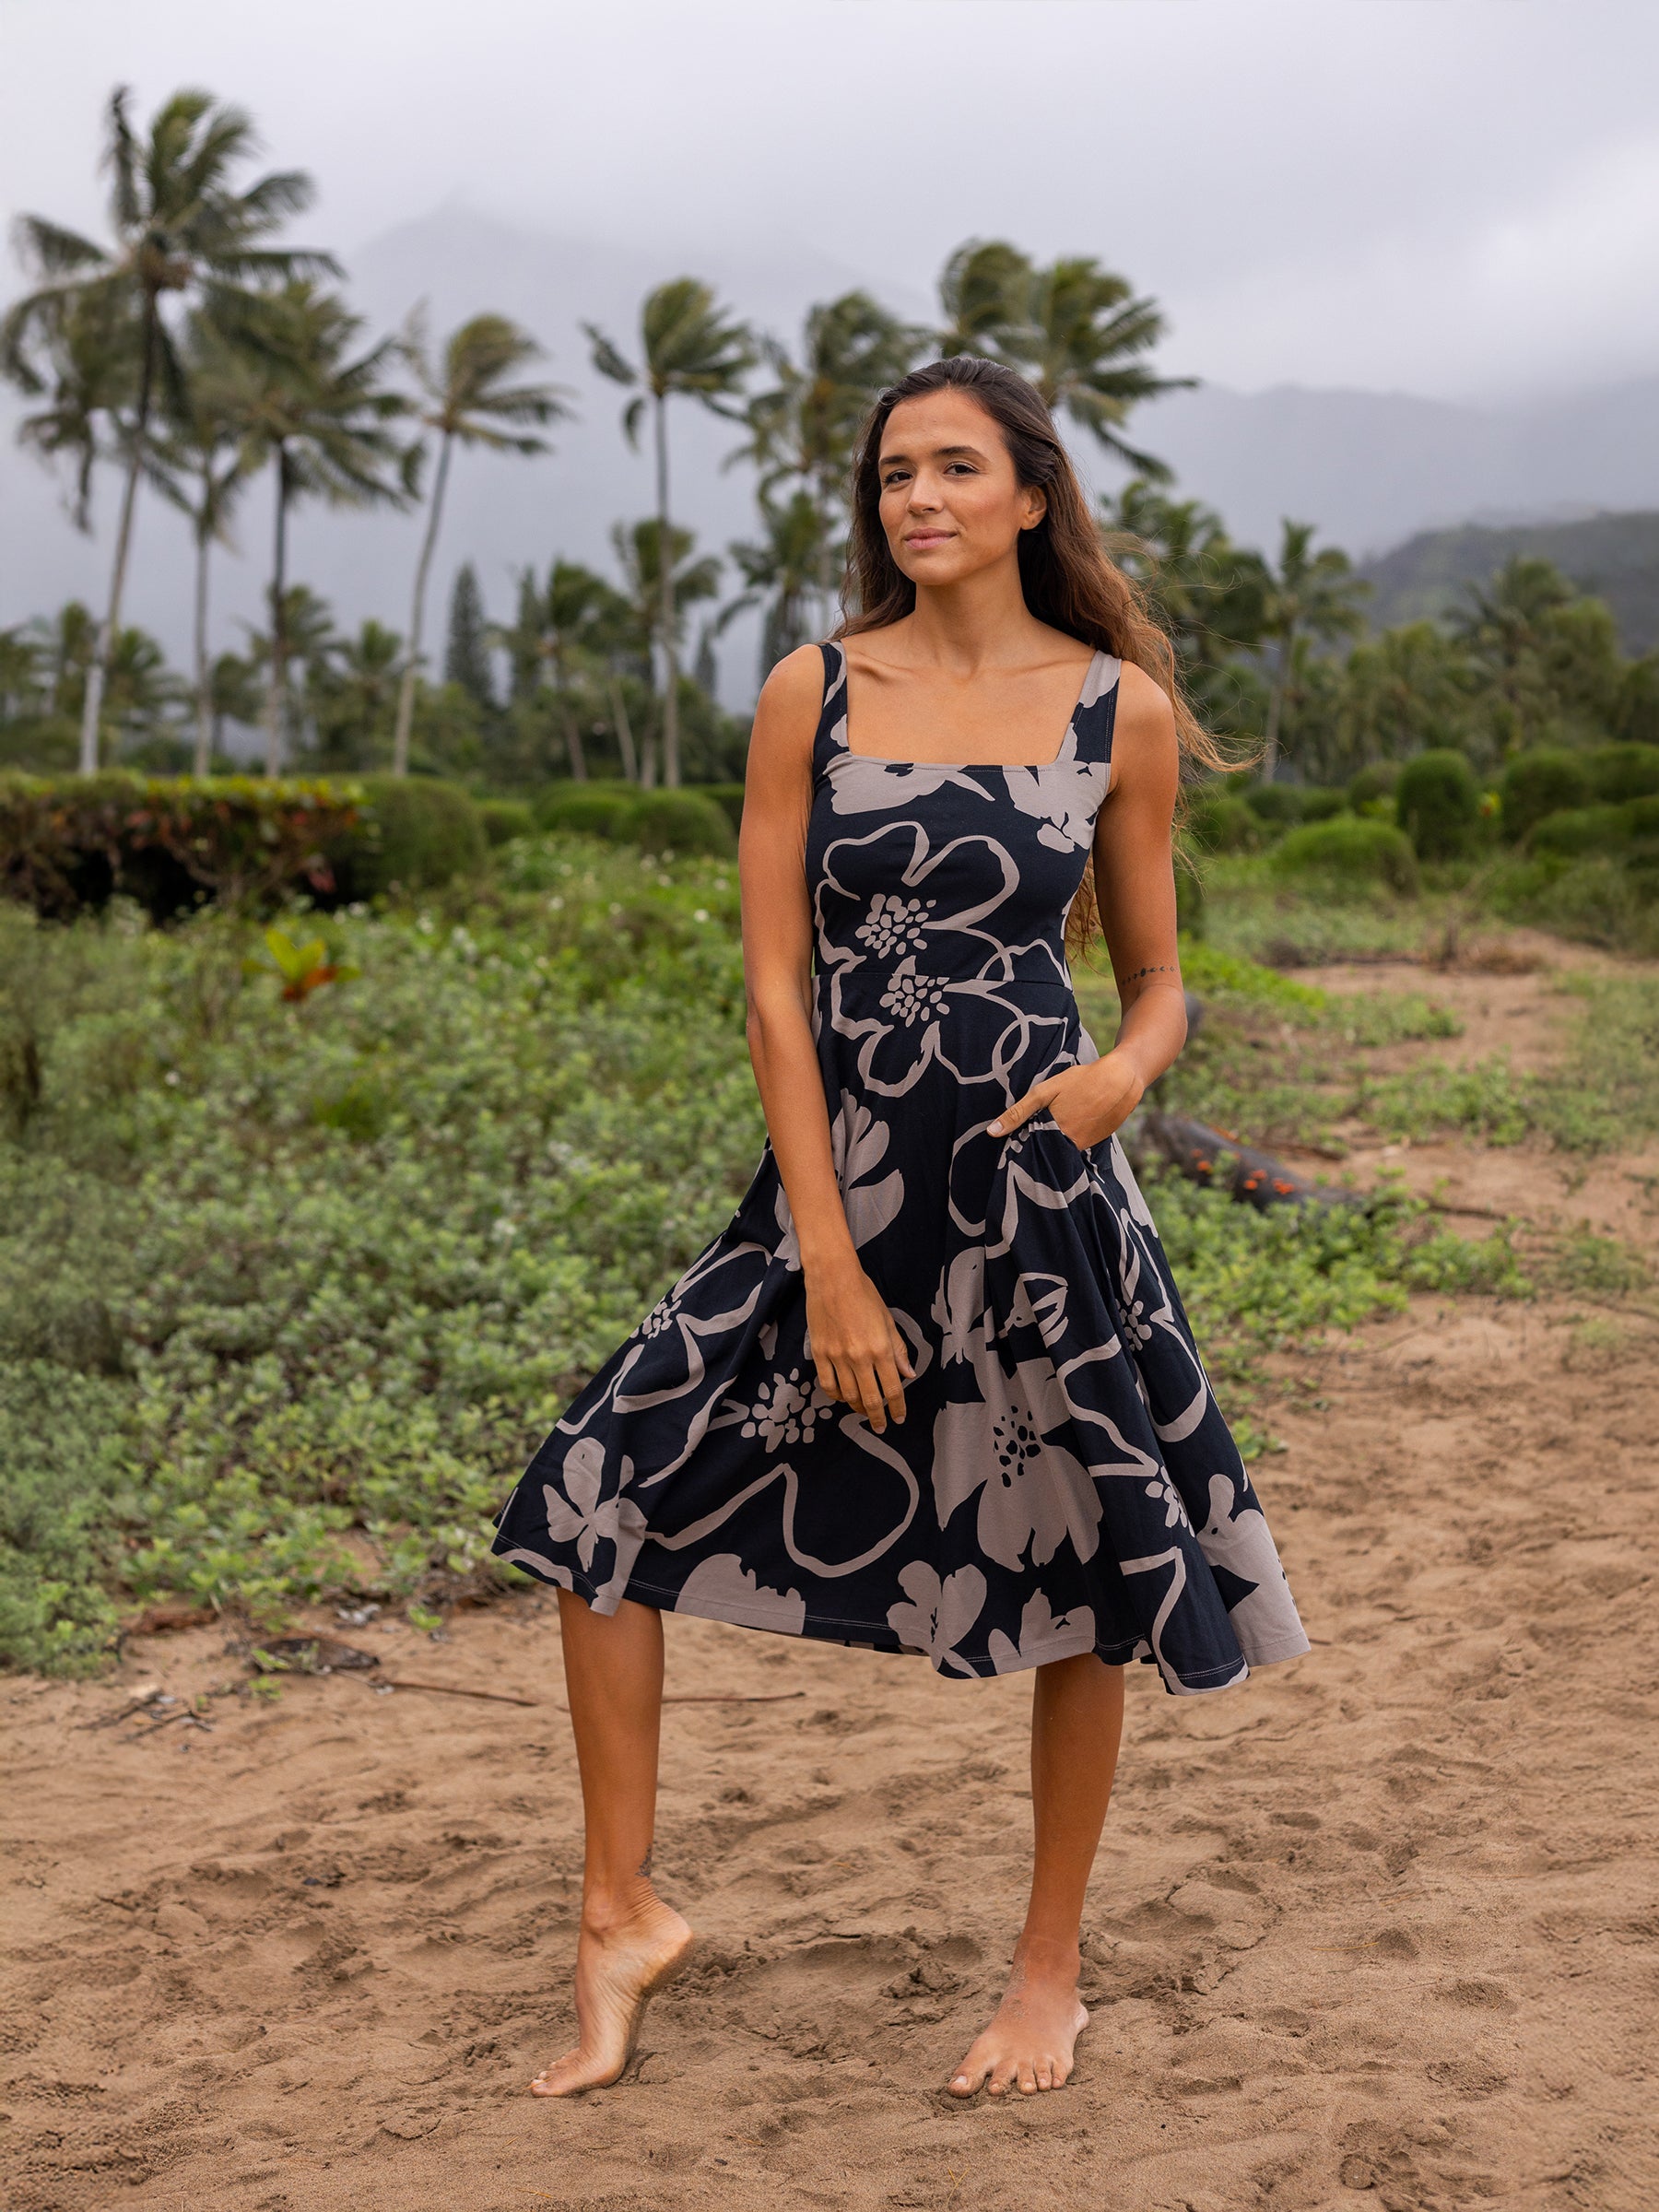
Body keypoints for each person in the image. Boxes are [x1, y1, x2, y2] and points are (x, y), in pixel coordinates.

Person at [491, 355, 1309, 2101]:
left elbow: (1161, 983)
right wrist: (831, 1253)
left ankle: (1046, 1973)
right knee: (593, 1492)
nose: (915, 498)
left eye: (953, 467)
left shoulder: (1117, 712)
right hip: (840, 1184)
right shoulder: (817, 689)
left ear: (1032, 493)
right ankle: (619, 1906)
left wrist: (1122, 1078)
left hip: (1036, 1185)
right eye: (890, 476)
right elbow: (777, 994)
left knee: (1087, 1573)